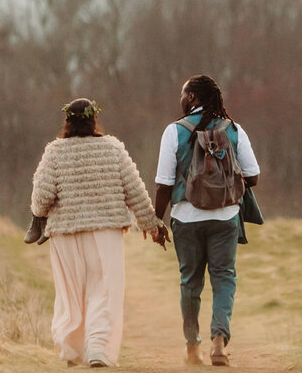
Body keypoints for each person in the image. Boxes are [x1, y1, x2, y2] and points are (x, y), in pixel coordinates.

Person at [29, 97, 169, 368]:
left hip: (66, 235)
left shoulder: (55, 152)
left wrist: (39, 212)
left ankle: (71, 350)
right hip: (105, 233)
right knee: (102, 291)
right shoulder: (113, 148)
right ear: (94, 119)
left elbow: (42, 198)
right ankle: (97, 349)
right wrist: (151, 225)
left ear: (67, 121)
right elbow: (135, 191)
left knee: (71, 293)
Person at [154, 75, 261, 367]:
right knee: (224, 277)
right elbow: (253, 176)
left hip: (185, 218)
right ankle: (219, 344)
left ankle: (192, 346)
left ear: (192, 98)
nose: (181, 98)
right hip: (225, 216)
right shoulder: (234, 129)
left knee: (190, 282)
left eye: (183, 93)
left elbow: (163, 183)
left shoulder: (174, 131)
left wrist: (156, 221)